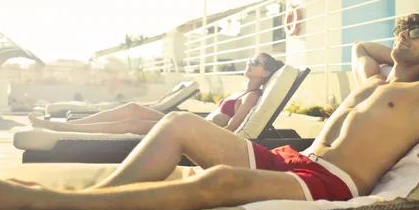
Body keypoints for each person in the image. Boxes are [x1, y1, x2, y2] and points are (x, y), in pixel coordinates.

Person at [0, 14, 419, 210]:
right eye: (399, 31)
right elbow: (363, 53)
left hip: (331, 183)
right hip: (295, 158)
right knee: (175, 125)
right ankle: (97, 203)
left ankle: (41, 202)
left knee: (218, 181)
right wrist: (402, 45)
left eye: (412, 34)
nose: (399, 38)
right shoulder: (374, 81)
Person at [28, 53, 284, 134]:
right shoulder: (242, 91)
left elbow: (231, 131)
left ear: (264, 74)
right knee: (131, 110)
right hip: (192, 124)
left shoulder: (251, 97)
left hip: (195, 131)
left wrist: (202, 130)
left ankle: (65, 129)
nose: (250, 63)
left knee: (131, 121)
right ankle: (69, 125)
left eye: (256, 62)